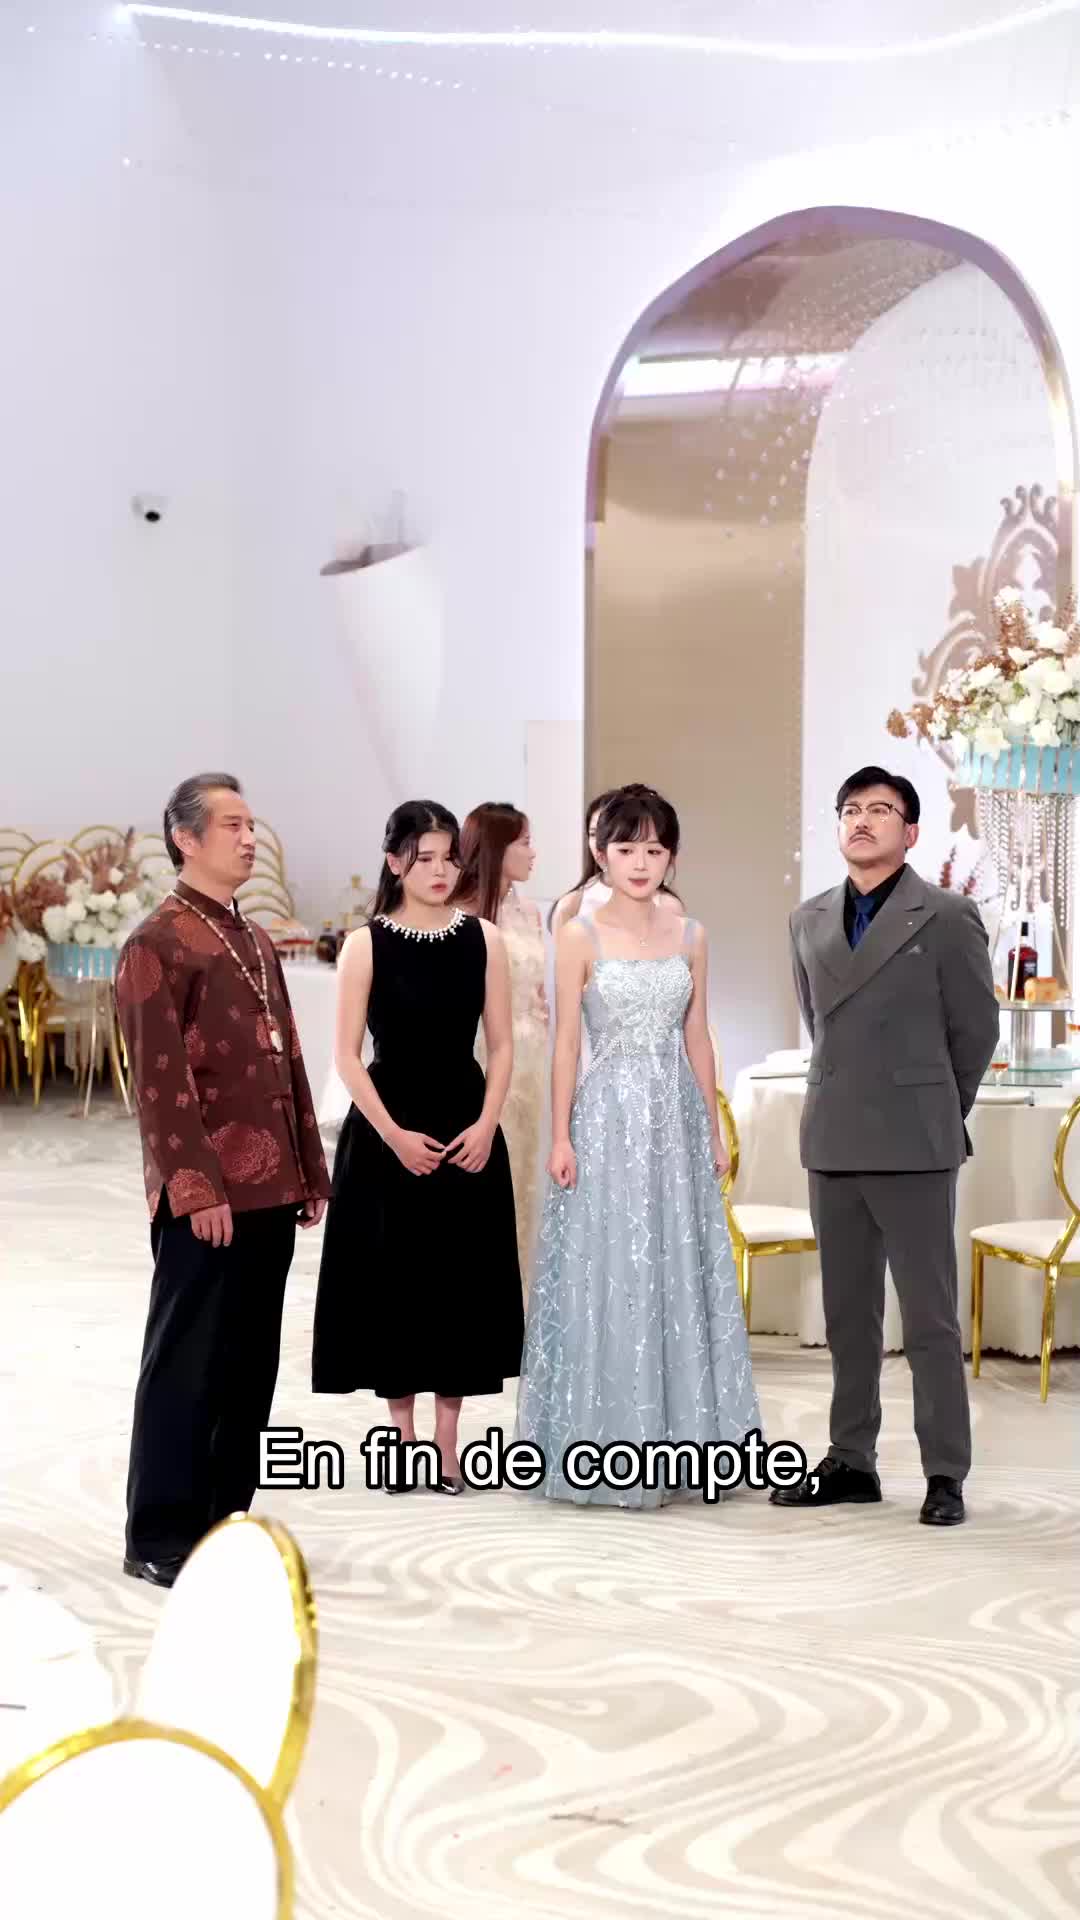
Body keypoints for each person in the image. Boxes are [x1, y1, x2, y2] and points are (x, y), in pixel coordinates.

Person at [115, 773, 330, 1588]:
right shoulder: (156, 944)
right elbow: (159, 1084)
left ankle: (222, 1523)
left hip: (272, 1190)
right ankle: (158, 1534)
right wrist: (197, 1189)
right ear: (186, 839)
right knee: (186, 1364)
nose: (249, 838)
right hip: (205, 1200)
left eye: (251, 824)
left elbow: (290, 1060)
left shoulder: (256, 940)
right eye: (232, 825)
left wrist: (309, 1165)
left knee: (248, 1366)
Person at [516, 785, 760, 1506]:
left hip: (675, 1118)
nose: (642, 862)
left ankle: (684, 1445)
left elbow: (698, 1035)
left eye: (655, 848)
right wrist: (561, 1135)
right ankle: (603, 1444)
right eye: (626, 848)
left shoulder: (692, 934)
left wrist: (711, 1125)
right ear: (601, 853)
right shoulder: (578, 934)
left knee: (678, 1268)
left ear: (671, 855)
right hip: (608, 1118)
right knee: (613, 1268)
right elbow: (567, 1044)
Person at [772, 765, 1000, 1528]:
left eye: (880, 810)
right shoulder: (807, 919)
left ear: (911, 831)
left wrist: (930, 1106)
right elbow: (819, 1024)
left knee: (930, 1320)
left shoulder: (948, 916)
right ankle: (851, 1460)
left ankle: (945, 1472)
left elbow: (976, 1032)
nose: (862, 820)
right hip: (833, 1136)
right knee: (848, 1315)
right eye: (851, 810)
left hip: (915, 1142)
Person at [311, 800, 524, 1494]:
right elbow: (346, 1057)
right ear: (394, 861)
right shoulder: (365, 943)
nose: (439, 871)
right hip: (387, 1131)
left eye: (448, 858)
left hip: (465, 1125)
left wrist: (487, 1124)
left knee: (458, 1283)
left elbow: (501, 1045)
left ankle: (448, 1446)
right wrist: (393, 1135)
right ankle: (402, 1444)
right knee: (394, 1284)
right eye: (424, 857)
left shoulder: (484, 939)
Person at [451, 802, 548, 1297]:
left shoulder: (530, 913)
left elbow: (537, 990)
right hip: (483, 1054)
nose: (533, 852)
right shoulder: (459, 912)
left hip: (534, 1058)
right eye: (524, 842)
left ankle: (524, 1300)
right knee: (489, 1179)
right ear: (496, 848)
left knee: (529, 1176)